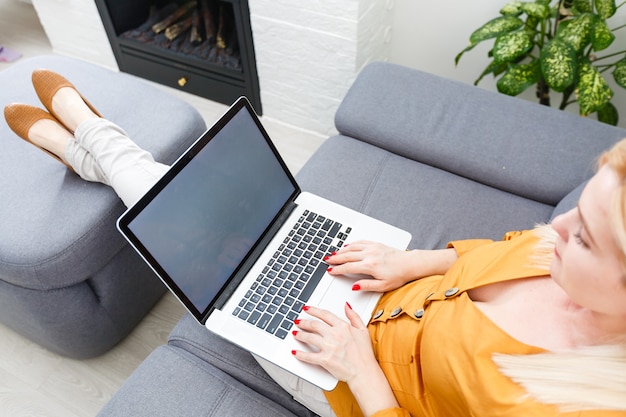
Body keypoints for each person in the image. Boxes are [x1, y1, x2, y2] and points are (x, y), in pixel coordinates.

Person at [5, 70, 626, 416]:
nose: (559, 228)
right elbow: (510, 244)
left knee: (196, 234)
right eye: (581, 207)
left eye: (589, 239)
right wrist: (407, 259)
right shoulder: (559, 249)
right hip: (378, 282)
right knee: (245, 222)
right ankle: (96, 152)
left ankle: (98, 146)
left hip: (350, 377)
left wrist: (358, 367)